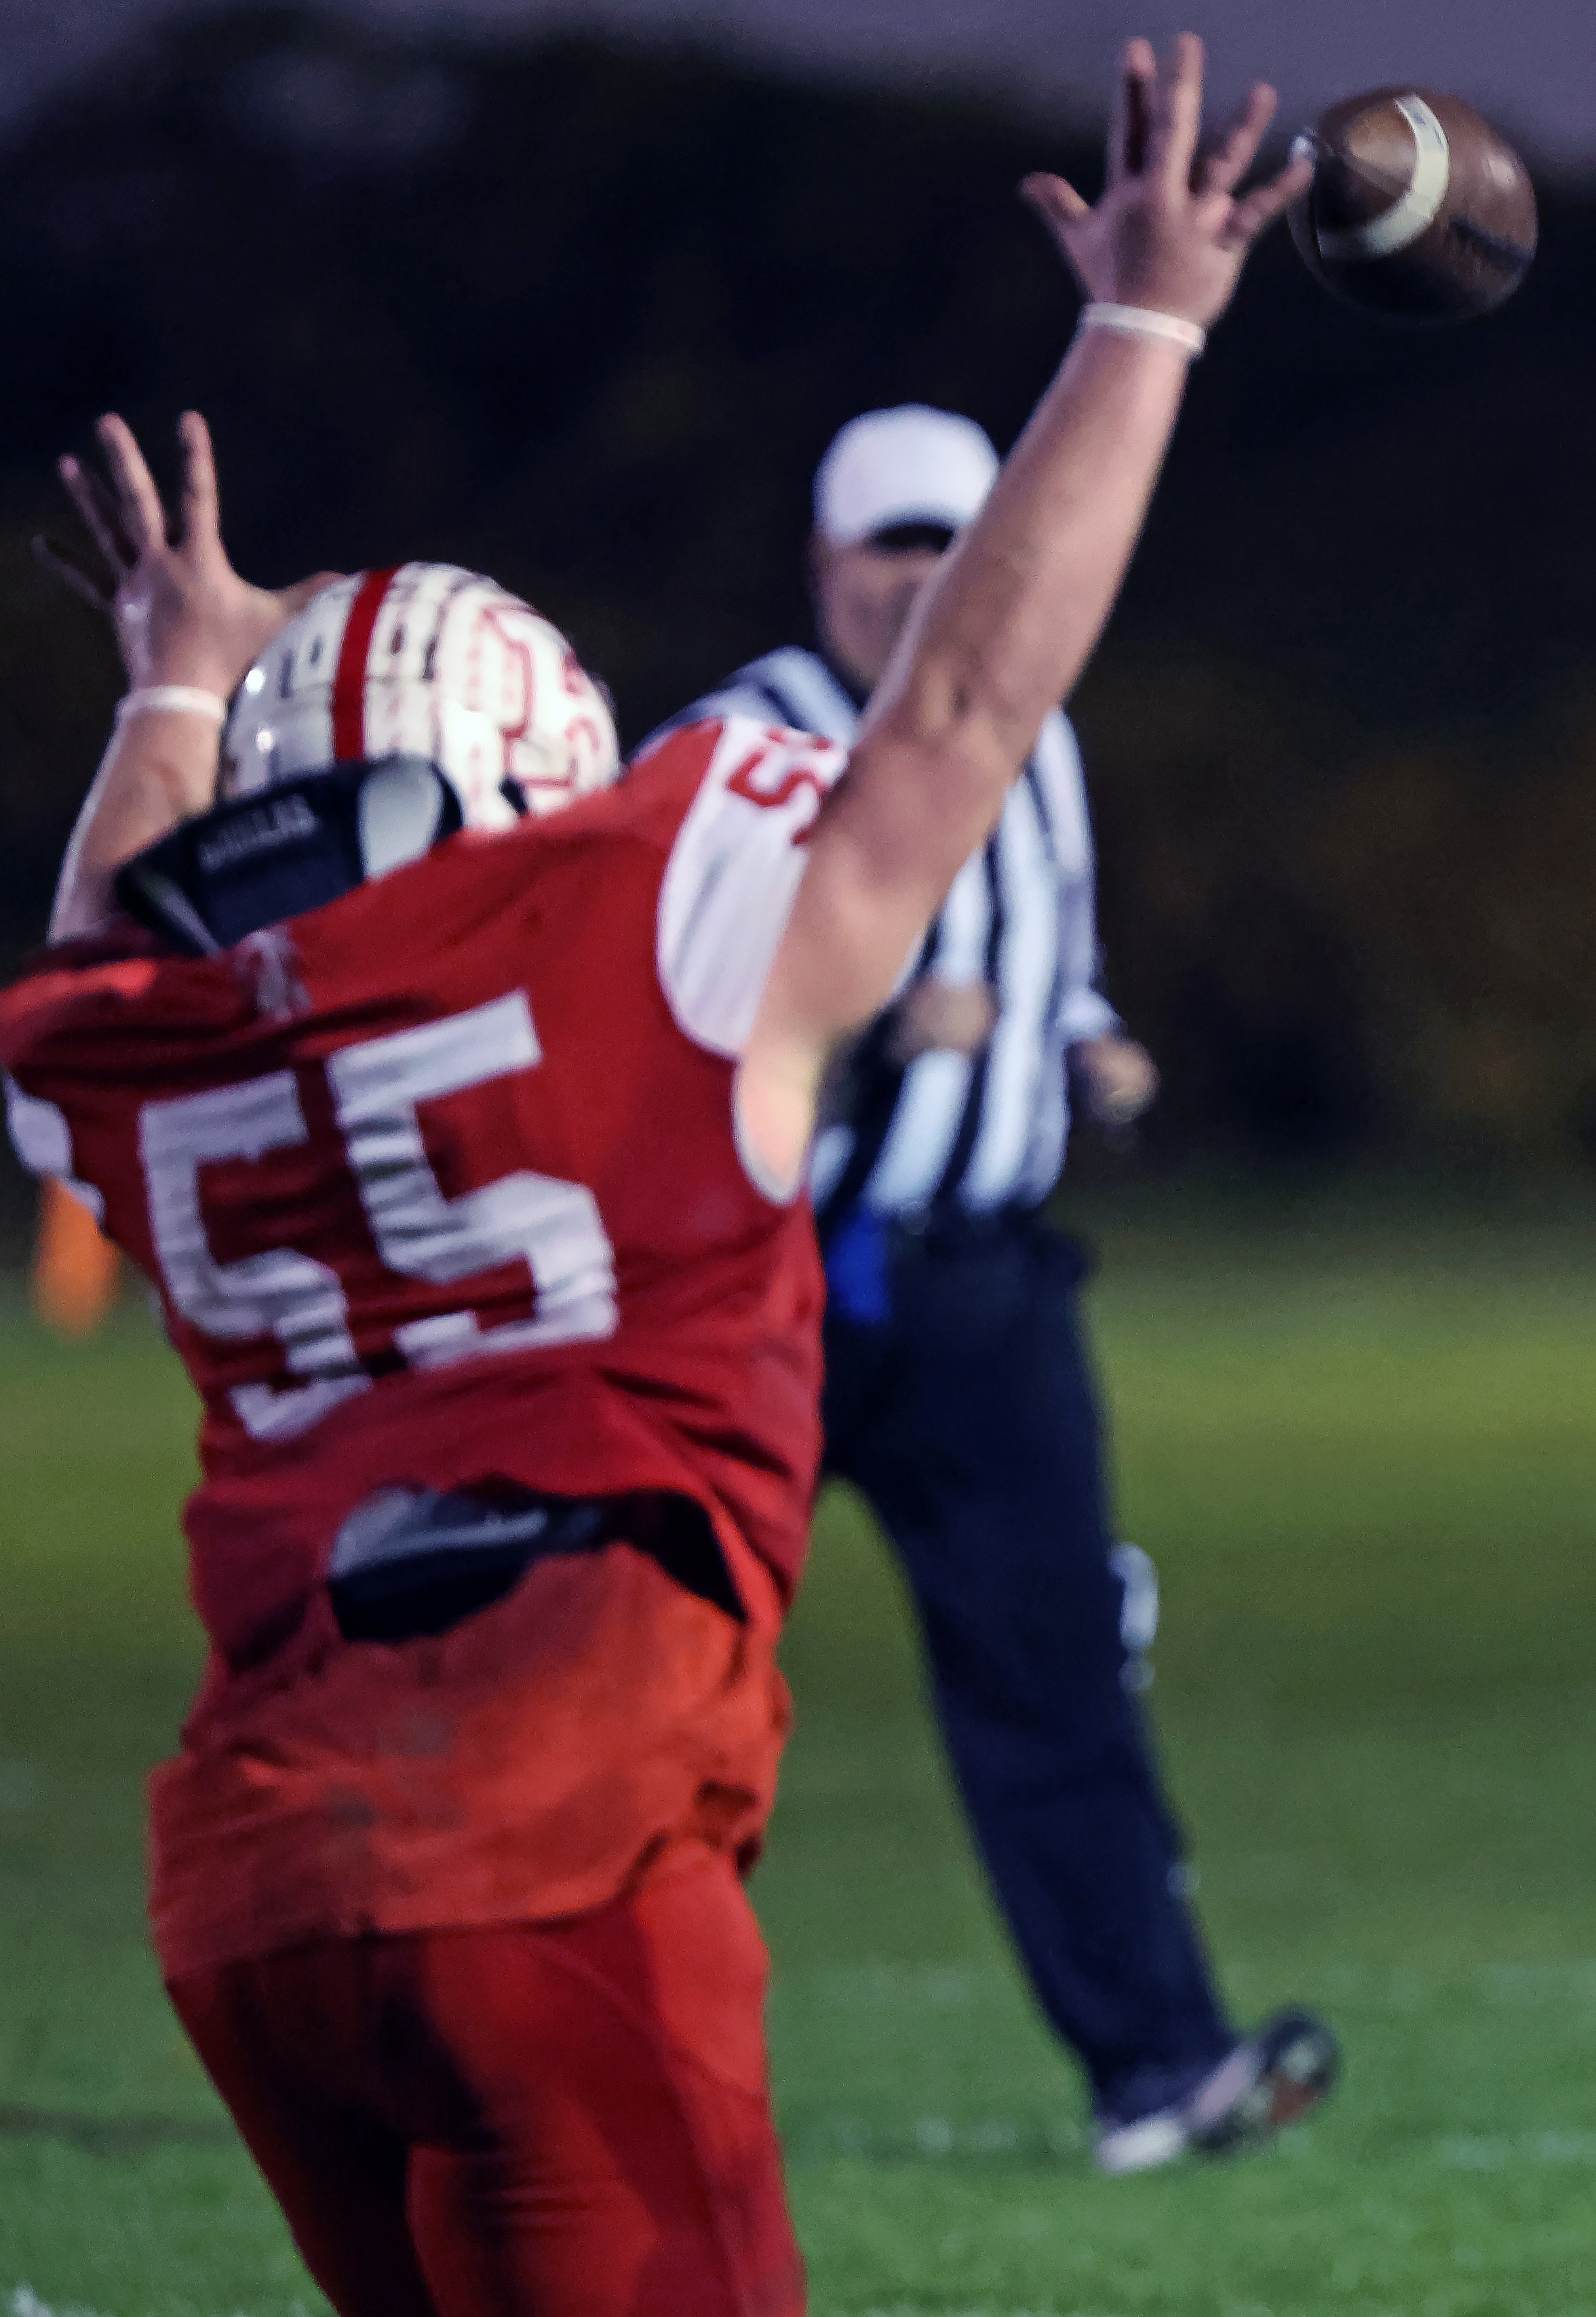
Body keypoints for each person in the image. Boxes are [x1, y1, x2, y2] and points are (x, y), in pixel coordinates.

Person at [0, 41, 1309, 2313]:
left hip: (257, 1895)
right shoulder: (649, 927)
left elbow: (96, 967)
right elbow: (971, 713)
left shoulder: (167, 1045)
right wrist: (1143, 326)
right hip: (550, 1843)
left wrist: (167, 691)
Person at [641, 405, 1333, 2176]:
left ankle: (1157, 2071)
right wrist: (860, 1029)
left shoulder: (1043, 736)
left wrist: (1089, 1050)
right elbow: (638, 1004)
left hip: (981, 1295)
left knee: (1060, 1676)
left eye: (958, 543)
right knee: (644, 1686)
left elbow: (1059, 962)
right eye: (896, 547)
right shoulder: (731, 743)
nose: (928, 580)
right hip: (757, 1286)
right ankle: (571, 2065)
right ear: (826, 566)